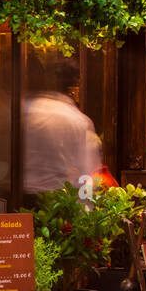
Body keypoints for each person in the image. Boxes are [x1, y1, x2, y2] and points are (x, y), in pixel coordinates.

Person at [23, 57, 103, 197]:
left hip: (20, 197)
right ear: (73, 85)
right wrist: (86, 208)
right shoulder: (78, 121)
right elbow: (87, 174)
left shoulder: (26, 110)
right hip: (57, 201)